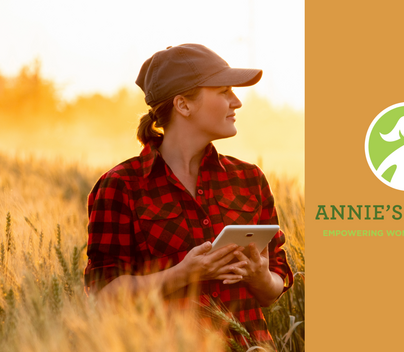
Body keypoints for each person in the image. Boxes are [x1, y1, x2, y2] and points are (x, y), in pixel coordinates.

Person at [83, 44, 293, 349]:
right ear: (183, 105)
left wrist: (259, 276)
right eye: (223, 91)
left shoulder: (250, 179)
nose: (236, 102)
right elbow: (102, 295)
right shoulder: (121, 185)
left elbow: (276, 283)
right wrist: (183, 274)